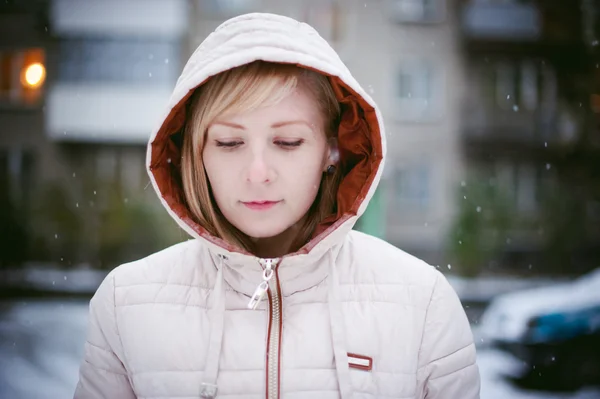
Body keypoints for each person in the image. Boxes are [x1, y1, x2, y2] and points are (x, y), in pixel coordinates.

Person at [74, 12, 480, 399]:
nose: (258, 172)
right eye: (229, 143)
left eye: (287, 142)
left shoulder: (422, 303)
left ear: (331, 151)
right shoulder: (126, 304)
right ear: (196, 153)